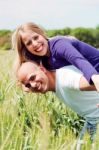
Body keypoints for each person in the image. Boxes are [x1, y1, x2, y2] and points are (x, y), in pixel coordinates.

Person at [17, 61, 99, 148]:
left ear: (42, 69)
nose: (33, 85)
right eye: (28, 85)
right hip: (92, 118)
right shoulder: (54, 81)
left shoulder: (65, 79)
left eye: (33, 77)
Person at [12, 22, 99, 92]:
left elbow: (79, 60)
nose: (35, 44)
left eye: (36, 37)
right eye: (29, 43)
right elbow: (26, 85)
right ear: (26, 49)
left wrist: (95, 77)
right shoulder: (42, 60)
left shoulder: (59, 45)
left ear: (41, 34)